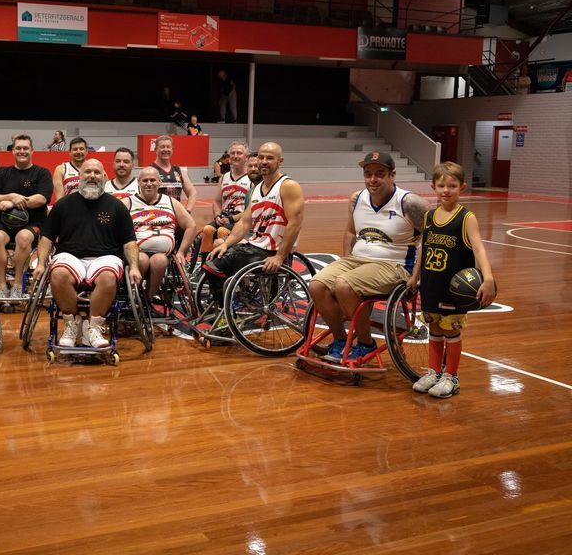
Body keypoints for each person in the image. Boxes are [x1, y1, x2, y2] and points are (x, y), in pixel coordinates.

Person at [308, 151, 428, 363]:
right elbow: (350, 232)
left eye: (380, 174)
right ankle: (340, 340)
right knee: (317, 285)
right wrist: (346, 260)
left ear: (393, 175)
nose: (373, 179)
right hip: (358, 260)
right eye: (368, 173)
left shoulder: (410, 203)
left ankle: (365, 343)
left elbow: (431, 238)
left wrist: (416, 277)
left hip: (394, 265)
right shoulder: (356, 199)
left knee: (344, 285)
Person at [406, 162, 496, 398]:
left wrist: (488, 279)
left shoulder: (466, 218)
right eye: (442, 185)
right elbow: (423, 248)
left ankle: (451, 377)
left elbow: (479, 250)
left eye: (452, 185)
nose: (446, 190)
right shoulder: (429, 216)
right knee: (434, 329)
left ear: (462, 188)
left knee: (451, 333)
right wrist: (415, 277)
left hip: (453, 290)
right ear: (433, 187)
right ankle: (434, 372)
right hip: (431, 285)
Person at [35, 159, 142, 348]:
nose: (92, 176)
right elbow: (46, 237)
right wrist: (42, 263)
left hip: (106, 257)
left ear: (104, 177)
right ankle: (72, 324)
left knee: (108, 277)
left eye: (97, 172)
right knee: (58, 274)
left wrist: (134, 267)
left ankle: (93, 327)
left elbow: (129, 241)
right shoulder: (63, 205)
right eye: (87, 172)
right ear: (79, 177)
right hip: (69, 255)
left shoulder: (117, 207)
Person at [206, 142, 304, 298]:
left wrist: (279, 256)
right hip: (256, 246)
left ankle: (231, 304)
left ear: (280, 161)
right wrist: (226, 243)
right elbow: (244, 223)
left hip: (272, 251)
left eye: (270, 158)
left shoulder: (288, 186)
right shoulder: (256, 189)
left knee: (214, 266)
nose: (264, 161)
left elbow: (295, 224)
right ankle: (233, 302)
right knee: (214, 256)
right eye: (261, 157)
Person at [0, 134, 53, 300]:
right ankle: (2, 285)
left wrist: (12, 203)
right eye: (18, 148)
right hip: (4, 223)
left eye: (25, 148)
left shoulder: (42, 173)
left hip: (33, 222)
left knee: (23, 238)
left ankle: (18, 284)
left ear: (32, 150)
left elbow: (42, 198)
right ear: (13, 151)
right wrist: (11, 196)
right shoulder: (2, 175)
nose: (22, 151)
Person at [124, 167, 196, 302]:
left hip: (164, 254)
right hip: (137, 252)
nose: (149, 183)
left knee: (160, 261)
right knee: (142, 260)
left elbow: (191, 226)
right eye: (145, 180)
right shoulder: (128, 203)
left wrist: (181, 252)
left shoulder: (171, 202)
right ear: (139, 182)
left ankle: (147, 299)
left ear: (159, 182)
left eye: (152, 180)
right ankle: (136, 298)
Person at [198, 141, 251, 261]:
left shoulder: (251, 178)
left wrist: (232, 219)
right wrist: (217, 215)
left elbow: (251, 209)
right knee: (207, 230)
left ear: (246, 157)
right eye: (233, 153)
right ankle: (205, 267)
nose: (235, 156)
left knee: (222, 231)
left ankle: (225, 267)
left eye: (239, 153)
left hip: (240, 221)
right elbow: (216, 202)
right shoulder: (224, 177)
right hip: (224, 218)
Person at [151, 135, 196, 212]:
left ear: (172, 149)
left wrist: (187, 211)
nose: (166, 149)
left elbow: (192, 192)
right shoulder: (150, 170)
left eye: (168, 147)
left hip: (176, 215)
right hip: (157, 216)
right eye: (162, 147)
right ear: (156, 149)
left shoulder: (179, 170)